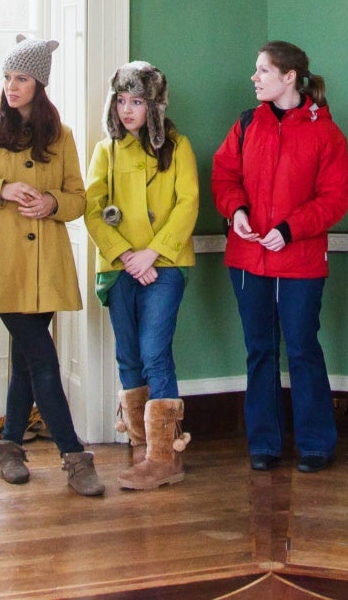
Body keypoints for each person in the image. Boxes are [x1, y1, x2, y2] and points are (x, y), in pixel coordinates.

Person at [0, 36, 105, 498]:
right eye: (8, 78)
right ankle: (75, 457)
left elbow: (78, 198)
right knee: (44, 360)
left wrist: (52, 202)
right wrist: (2, 190)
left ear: (40, 84)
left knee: (26, 361)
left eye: (22, 79)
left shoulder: (62, 135)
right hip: (1, 264)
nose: (12, 87)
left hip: (46, 266)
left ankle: (10, 445)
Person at [212, 41, 348, 472]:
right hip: (247, 260)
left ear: (289, 77)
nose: (254, 78)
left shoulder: (326, 133)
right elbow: (224, 175)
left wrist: (290, 230)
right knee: (259, 350)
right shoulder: (245, 125)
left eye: (263, 71)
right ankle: (264, 444)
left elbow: (335, 198)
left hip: (302, 262)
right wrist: (236, 212)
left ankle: (316, 444)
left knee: (302, 348)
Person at [84, 60, 200, 490]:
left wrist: (151, 254)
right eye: (121, 100)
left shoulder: (178, 146)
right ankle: (140, 445)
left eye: (136, 101)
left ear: (153, 105)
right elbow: (93, 210)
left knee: (155, 352)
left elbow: (188, 204)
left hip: (165, 265)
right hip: (119, 267)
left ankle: (165, 457)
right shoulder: (105, 151)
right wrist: (125, 254)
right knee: (128, 355)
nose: (127, 109)